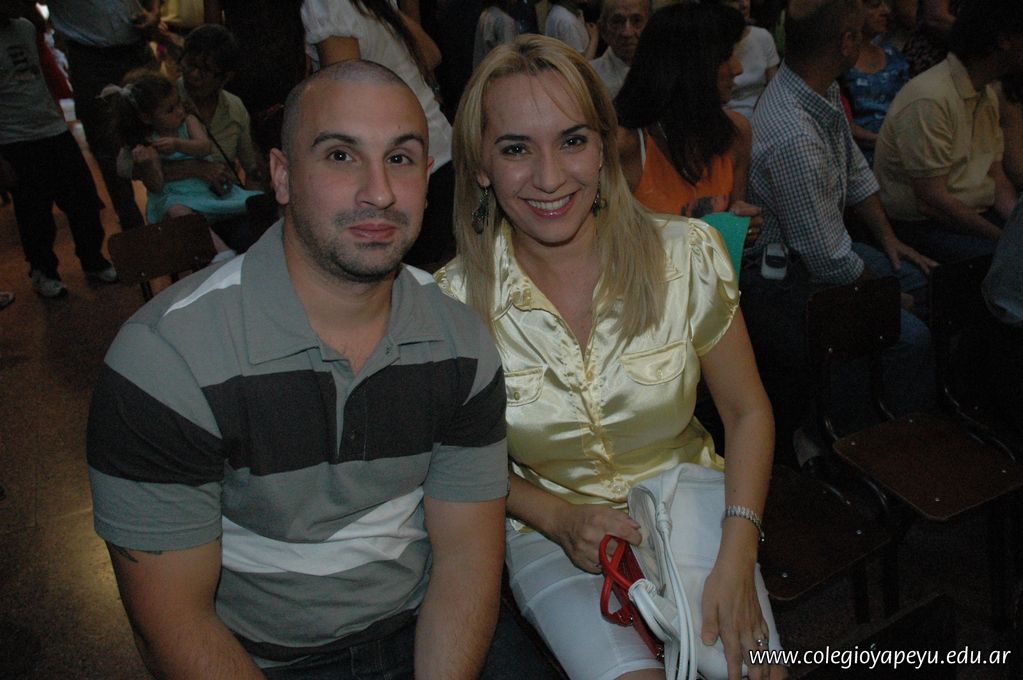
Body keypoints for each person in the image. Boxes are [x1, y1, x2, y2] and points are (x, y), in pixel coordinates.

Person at [87, 60, 508, 678]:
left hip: (423, 632)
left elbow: (466, 561)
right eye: (340, 156)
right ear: (282, 177)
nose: (379, 192)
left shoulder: (462, 343)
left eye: (400, 158)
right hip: (257, 659)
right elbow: (175, 621)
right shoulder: (164, 361)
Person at [436, 35, 783, 680]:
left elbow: (747, 412)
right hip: (551, 535)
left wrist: (738, 555)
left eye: (572, 140)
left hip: (696, 510)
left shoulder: (687, 254)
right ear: (480, 165)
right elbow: (455, 458)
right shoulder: (450, 304)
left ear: (604, 146)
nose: (549, 178)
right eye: (516, 149)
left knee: (752, 669)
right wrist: (558, 519)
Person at [744, 0, 936, 453]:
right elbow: (827, 262)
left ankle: (880, 413)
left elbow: (854, 170)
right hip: (784, 279)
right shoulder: (794, 135)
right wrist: (887, 300)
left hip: (823, 254)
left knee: (922, 281)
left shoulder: (817, 88)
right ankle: (856, 443)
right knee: (912, 338)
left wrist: (889, 239)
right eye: (859, 31)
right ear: (846, 43)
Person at [301, 0, 455, 267]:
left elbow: (347, 100)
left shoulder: (329, 4)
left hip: (401, 164)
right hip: (439, 152)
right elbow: (431, 55)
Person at [873, 0, 1023, 263]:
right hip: (926, 225)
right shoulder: (931, 97)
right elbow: (932, 201)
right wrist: (1005, 240)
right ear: (1004, 41)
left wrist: (1015, 230)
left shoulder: (985, 92)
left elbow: (997, 179)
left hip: (968, 213)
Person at [0, 1, 116, 299]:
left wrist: (58, 115)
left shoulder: (26, 28)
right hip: (15, 139)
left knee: (84, 201)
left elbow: (42, 76)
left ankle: (92, 258)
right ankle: (43, 270)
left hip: (53, 129)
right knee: (35, 214)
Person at [617, 3, 762, 237]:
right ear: (691, 67)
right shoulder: (627, 144)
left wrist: (743, 225)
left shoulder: (735, 133)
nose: (738, 68)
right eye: (725, 57)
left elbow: (735, 220)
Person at [45, 0, 166, 233]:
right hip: (91, 57)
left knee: (165, 128)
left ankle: (178, 213)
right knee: (107, 146)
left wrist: (153, 11)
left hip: (136, 47)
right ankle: (135, 230)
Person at [105, 73, 262, 234]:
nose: (180, 111)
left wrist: (179, 145)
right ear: (146, 118)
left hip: (206, 190)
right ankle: (218, 247)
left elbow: (205, 147)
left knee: (252, 203)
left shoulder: (188, 122)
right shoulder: (147, 142)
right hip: (176, 196)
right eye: (170, 110)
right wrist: (147, 165)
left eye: (179, 103)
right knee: (180, 213)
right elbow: (156, 186)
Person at [840, 0, 909, 165]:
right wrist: (883, 141)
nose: (885, 11)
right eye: (875, 5)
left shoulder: (893, 55)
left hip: (900, 151)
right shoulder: (840, 61)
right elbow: (840, 120)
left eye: (885, 4)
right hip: (857, 157)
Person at [716, 0, 780, 121]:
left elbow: (774, 87)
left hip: (762, 114)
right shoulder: (709, 40)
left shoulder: (763, 37)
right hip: (722, 119)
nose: (744, 5)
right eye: (734, 0)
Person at [589, 0, 651, 99]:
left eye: (637, 21)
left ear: (651, 25)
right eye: (617, 22)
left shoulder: (667, 71)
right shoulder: (588, 76)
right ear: (603, 29)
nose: (627, 33)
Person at [473, 0, 519, 69]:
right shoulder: (505, 21)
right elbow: (508, 60)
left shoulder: (485, 15)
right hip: (500, 72)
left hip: (486, 72)